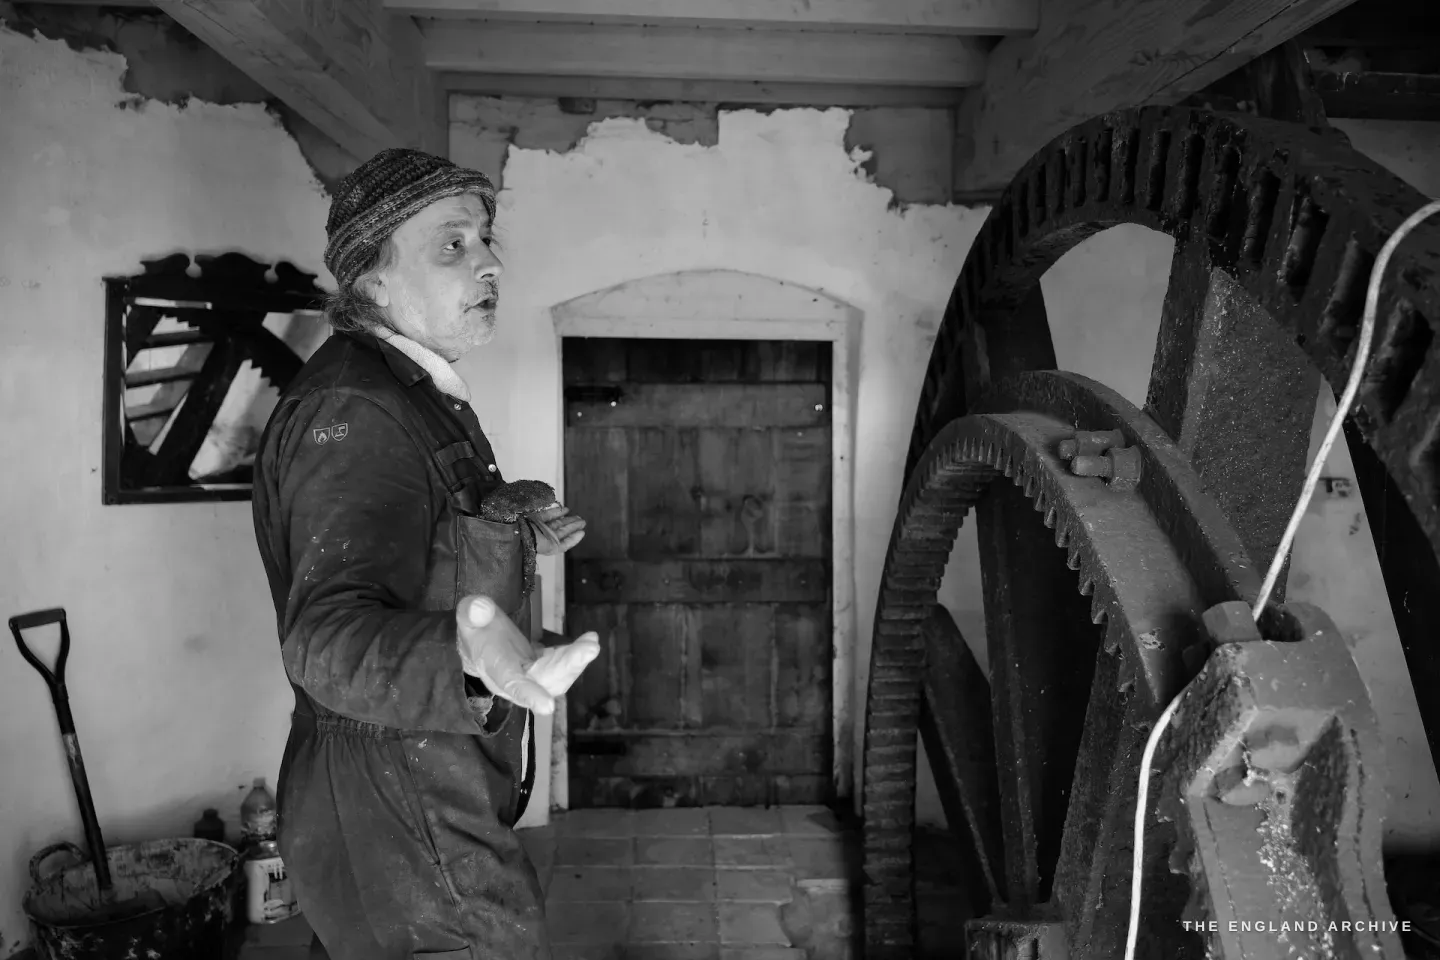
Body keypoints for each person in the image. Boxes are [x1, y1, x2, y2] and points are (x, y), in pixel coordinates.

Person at [252, 148, 600, 960]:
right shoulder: (356, 407)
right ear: (370, 279)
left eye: (484, 238)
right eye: (452, 244)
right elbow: (322, 636)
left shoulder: (412, 391)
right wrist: (467, 659)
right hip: (400, 799)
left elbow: (425, 546)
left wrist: (506, 523)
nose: (488, 261)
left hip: (420, 780)